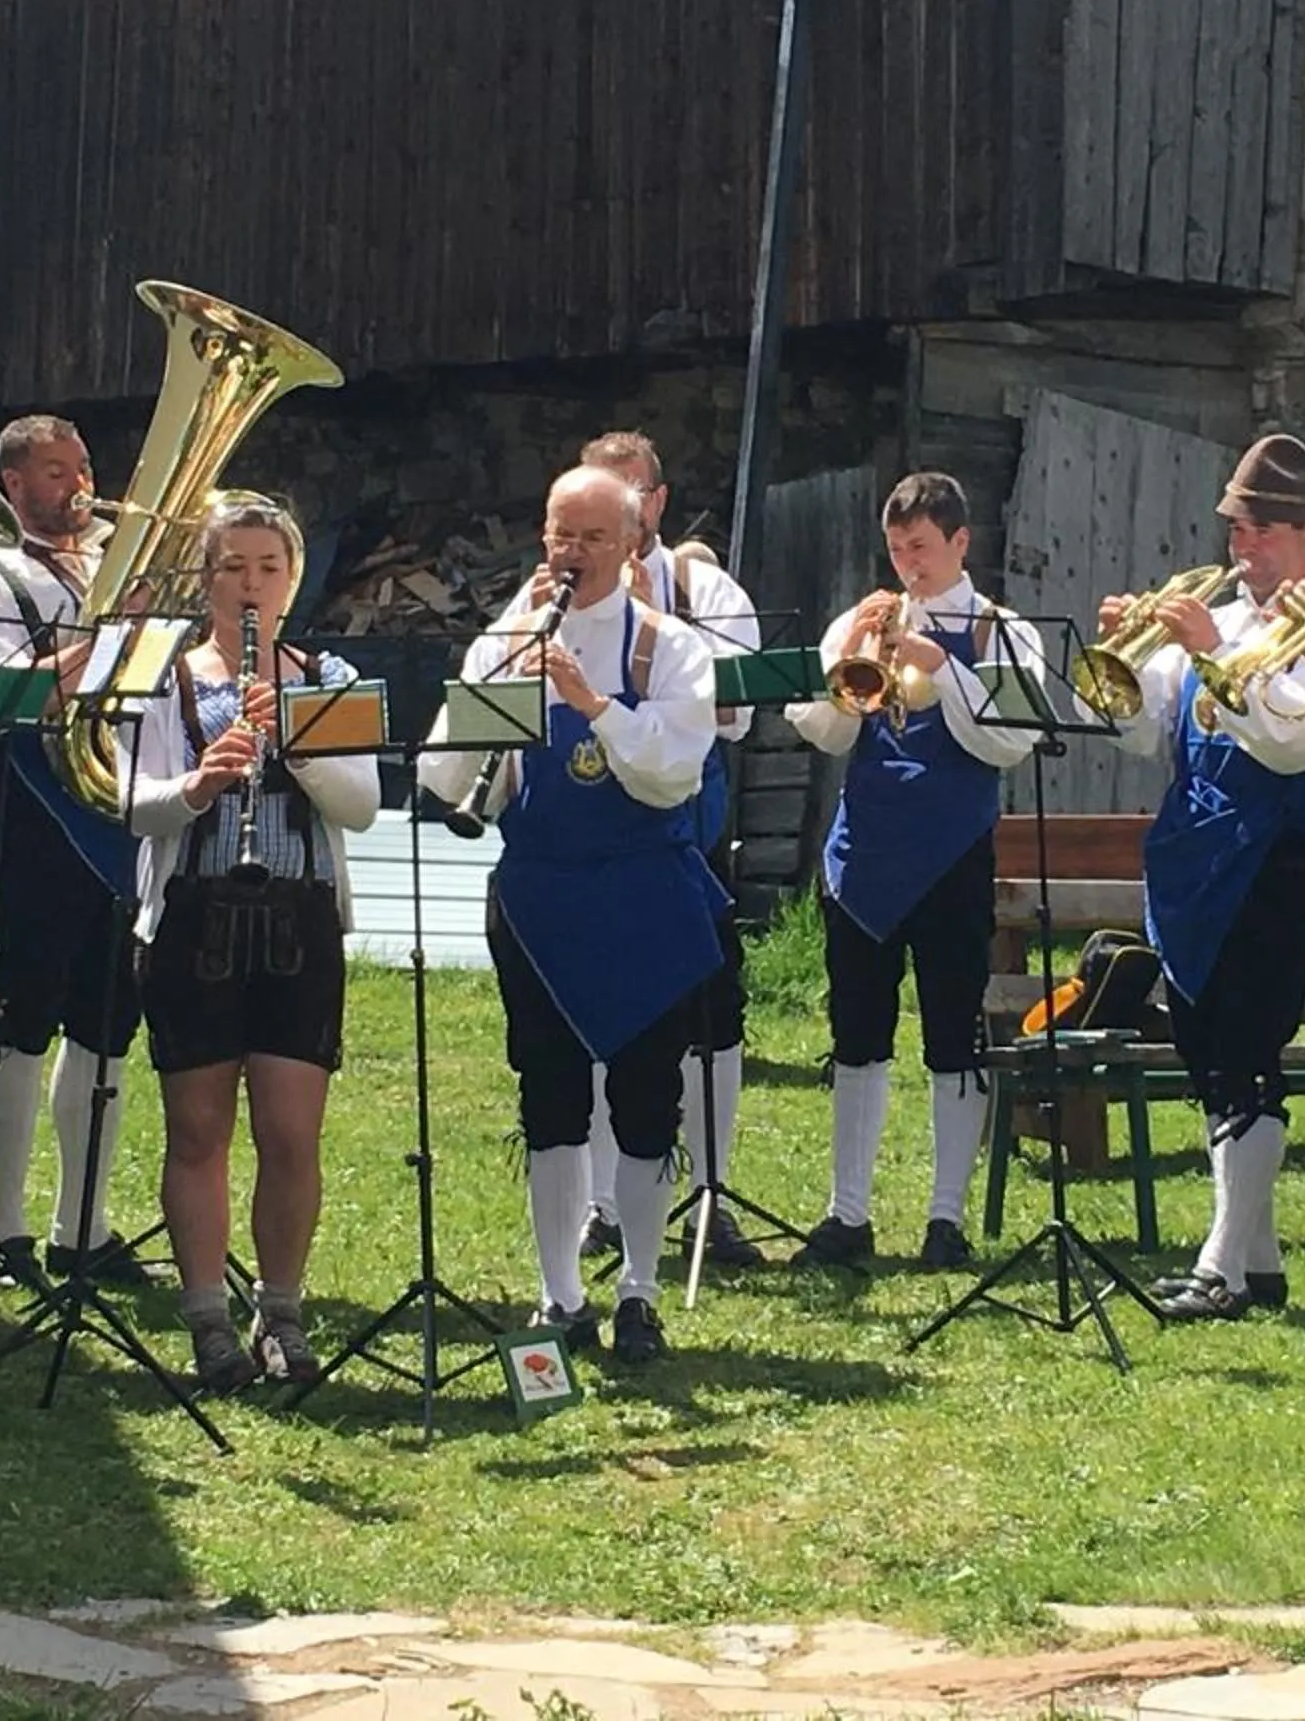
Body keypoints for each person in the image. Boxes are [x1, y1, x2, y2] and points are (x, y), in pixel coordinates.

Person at [418, 466, 720, 1363]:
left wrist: (592, 706)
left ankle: (638, 1290)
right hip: (540, 897)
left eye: (592, 537)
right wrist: (503, 682)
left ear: (631, 545)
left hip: (643, 897)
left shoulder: (669, 648)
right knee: (548, 1097)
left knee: (643, 1100)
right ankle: (561, 1294)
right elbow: (443, 774)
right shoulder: (509, 638)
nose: (572, 552)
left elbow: (674, 770)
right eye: (560, 533)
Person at [1098, 436, 1305, 1320]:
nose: (1238, 549)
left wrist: (1213, 650)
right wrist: (1129, 662)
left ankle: (1219, 1265)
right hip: (1196, 850)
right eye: (1234, 531)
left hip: (1283, 850)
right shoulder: (1222, 616)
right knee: (1206, 1048)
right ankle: (1258, 1260)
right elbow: (1143, 737)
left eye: (1254, 532)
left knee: (1249, 1048)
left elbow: (1296, 737)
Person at [121, 496, 378, 1391]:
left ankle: (282, 1310)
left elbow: (362, 806)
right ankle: (206, 1320)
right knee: (197, 1129)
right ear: (206, 580)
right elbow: (129, 799)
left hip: (298, 918)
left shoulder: (328, 675)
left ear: (293, 578)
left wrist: (296, 744)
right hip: (197, 913)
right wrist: (198, 784)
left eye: (269, 567)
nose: (252, 584)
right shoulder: (168, 680)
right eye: (233, 567)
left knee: (290, 1130)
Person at [785, 472, 1041, 1269]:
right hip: (862, 857)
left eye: (922, 549)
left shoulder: (1005, 630)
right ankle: (848, 1215)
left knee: (951, 1038)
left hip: (953, 857)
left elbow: (1012, 739)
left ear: (961, 543)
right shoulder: (865, 618)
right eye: (897, 550)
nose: (908, 566)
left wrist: (945, 664)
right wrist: (857, 651)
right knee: (857, 1037)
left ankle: (945, 1220)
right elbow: (823, 732)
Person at [547, 434, 768, 1271]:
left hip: (684, 824)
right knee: (596, 1011)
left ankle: (711, 1191)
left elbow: (734, 717)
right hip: (579, 833)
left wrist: (652, 627)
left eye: (626, 508)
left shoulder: (705, 590)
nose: (605, 537)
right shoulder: (548, 604)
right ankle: (602, 1203)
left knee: (709, 1013)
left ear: (653, 508)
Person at [0, 414, 151, 1293]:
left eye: (83, 467)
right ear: (16, 485)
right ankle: (5, 1226)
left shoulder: (120, 563)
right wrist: (111, 633)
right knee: (24, 1009)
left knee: (108, 1024)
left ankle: (83, 1226)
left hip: (124, 800)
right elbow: (1, 688)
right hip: (31, 800)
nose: (77, 484)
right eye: (56, 472)